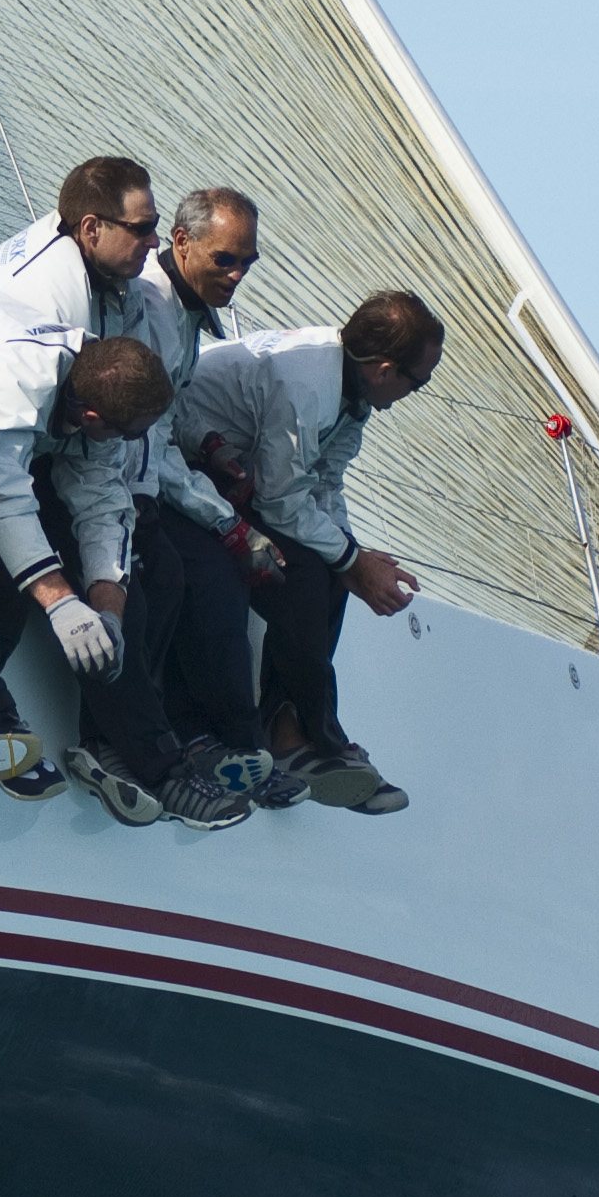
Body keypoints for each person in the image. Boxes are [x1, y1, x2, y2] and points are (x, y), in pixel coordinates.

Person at [0, 157, 168, 805]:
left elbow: (104, 500)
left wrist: (106, 605)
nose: (154, 243)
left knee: (39, 538)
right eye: (145, 227)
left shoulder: (93, 376)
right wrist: (60, 602)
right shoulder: (19, 362)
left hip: (6, 417)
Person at [66, 187, 297, 823]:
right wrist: (228, 522)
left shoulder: (186, 314)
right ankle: (128, 745)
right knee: (159, 585)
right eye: (225, 259)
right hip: (103, 481)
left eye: (248, 261)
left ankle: (224, 741)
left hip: (146, 486)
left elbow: (170, 421)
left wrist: (212, 448)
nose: (238, 274)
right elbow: (144, 432)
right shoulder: (146, 307)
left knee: (209, 586)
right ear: (181, 243)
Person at [177, 290, 445, 815]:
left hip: (242, 472)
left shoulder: (354, 391)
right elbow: (280, 500)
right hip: (190, 460)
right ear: (386, 369)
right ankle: (312, 736)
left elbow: (325, 481)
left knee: (330, 569)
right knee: (298, 576)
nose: (420, 390)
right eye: (421, 380)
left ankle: (294, 729)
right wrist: (351, 559)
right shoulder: (306, 388)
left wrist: (352, 558)